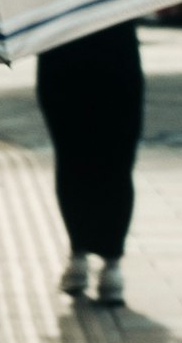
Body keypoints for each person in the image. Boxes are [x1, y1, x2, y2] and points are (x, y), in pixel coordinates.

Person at [35, 17, 143, 307]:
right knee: (116, 163)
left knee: (72, 161)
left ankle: (79, 255)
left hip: (61, 45)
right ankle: (110, 265)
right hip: (115, 48)